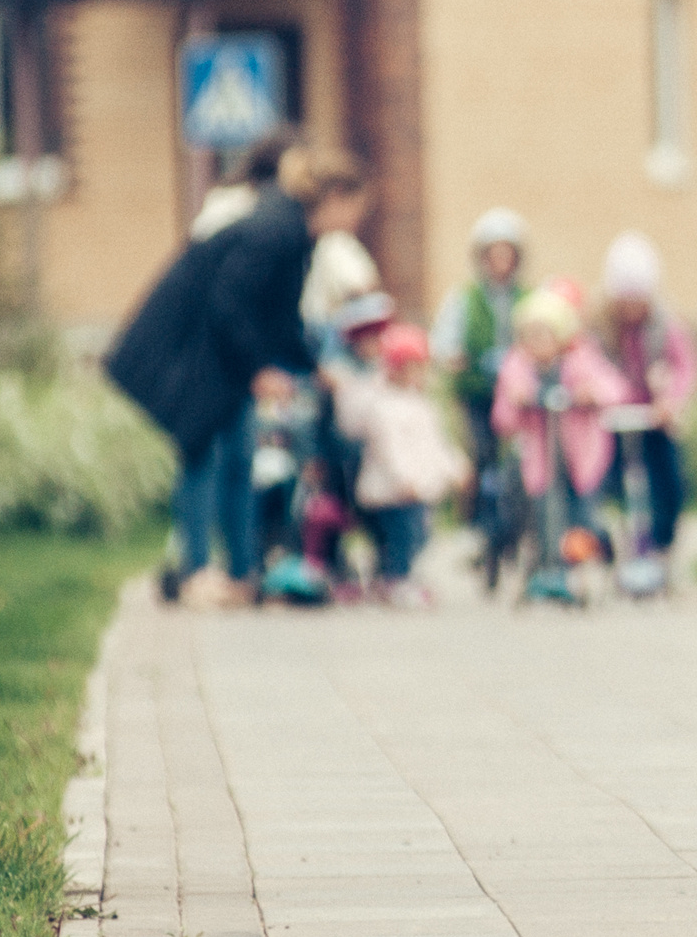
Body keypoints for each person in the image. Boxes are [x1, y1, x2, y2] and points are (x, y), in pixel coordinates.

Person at [109, 147, 370, 606]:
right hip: (193, 356)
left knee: (237, 460)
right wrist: (260, 369)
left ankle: (241, 572)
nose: (357, 220)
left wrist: (312, 365)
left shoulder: (295, 234)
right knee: (203, 458)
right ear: (334, 197)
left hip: (221, 361)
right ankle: (197, 571)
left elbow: (279, 318)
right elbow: (229, 305)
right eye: (355, 207)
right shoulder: (275, 231)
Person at [492, 288, 627, 574]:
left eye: (544, 334)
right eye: (530, 335)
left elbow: (615, 388)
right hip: (541, 459)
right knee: (543, 514)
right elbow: (502, 420)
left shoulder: (581, 358)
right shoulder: (517, 365)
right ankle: (551, 568)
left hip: (581, 456)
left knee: (582, 517)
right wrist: (517, 401)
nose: (537, 343)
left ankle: (592, 549)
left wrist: (591, 394)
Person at [332, 324, 471, 605]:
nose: (416, 375)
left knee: (420, 535)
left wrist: (456, 467)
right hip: (391, 489)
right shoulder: (382, 405)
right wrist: (403, 478)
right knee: (401, 538)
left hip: (420, 487)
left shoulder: (421, 404)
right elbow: (389, 449)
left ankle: (399, 576)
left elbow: (435, 443)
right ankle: (396, 578)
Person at [590, 232, 697, 557]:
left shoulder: (666, 326)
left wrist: (670, 400)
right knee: (599, 479)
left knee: (668, 480)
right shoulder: (599, 328)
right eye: (625, 300)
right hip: (610, 419)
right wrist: (607, 394)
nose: (632, 309)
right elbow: (590, 367)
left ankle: (661, 542)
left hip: (653, 418)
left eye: (638, 300)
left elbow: (685, 366)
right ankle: (604, 540)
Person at [432, 208, 531, 526]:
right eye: (494, 254)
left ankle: (517, 521)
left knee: (519, 459)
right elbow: (443, 342)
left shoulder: (526, 298)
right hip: (477, 392)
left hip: (518, 395)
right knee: (481, 455)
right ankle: (478, 524)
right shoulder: (466, 298)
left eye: (507, 254)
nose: (501, 262)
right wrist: (454, 356)